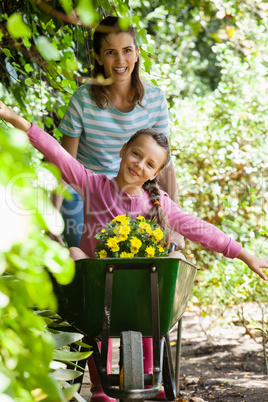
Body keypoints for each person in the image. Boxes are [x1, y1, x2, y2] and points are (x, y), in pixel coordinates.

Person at [1, 102, 268, 402]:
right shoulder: (94, 185)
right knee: (75, 252)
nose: (139, 165)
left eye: (150, 164)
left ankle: (150, 374)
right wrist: (12, 117)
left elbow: (200, 229)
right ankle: (101, 386)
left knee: (174, 259)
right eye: (136, 154)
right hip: (99, 288)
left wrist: (244, 254)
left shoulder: (158, 205)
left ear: (156, 173)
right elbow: (58, 153)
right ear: (123, 150)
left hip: (144, 294)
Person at [54, 15, 184, 250]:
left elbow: (164, 163)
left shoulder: (154, 99)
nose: (120, 59)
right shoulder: (83, 99)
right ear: (98, 57)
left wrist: (176, 228)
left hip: (134, 191)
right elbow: (64, 164)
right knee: (90, 254)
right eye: (110, 52)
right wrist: (51, 220)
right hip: (87, 192)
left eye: (126, 50)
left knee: (141, 256)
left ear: (136, 53)